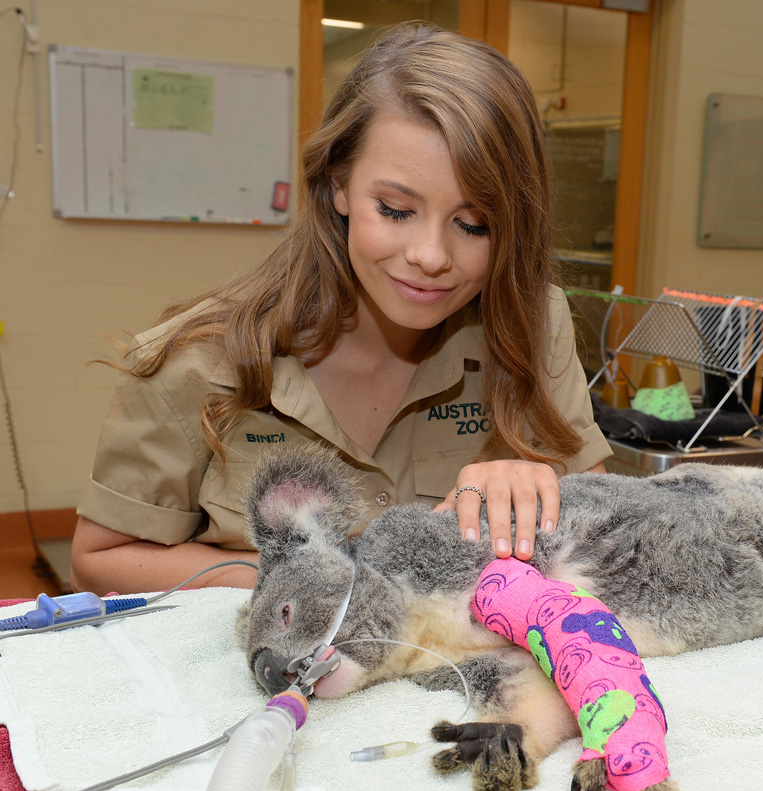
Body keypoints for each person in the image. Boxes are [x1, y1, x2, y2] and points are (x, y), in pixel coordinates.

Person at [69, 22, 612, 595]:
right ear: (339, 186)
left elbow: (610, 532)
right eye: (396, 210)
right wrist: (307, 580)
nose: (431, 256)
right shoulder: (195, 362)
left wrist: (534, 481)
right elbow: (98, 561)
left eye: (473, 224)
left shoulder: (532, 324)